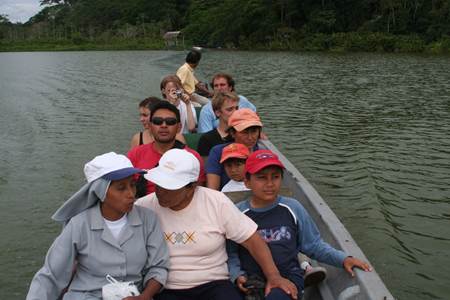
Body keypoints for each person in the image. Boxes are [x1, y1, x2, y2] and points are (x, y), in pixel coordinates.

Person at [135, 149, 298, 300]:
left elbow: (252, 240)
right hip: (164, 287)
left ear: (192, 187)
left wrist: (273, 276)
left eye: (169, 187)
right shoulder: (144, 207)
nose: (160, 192)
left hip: (213, 284)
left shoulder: (216, 202)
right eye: (158, 184)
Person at [227, 150, 372, 299]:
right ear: (247, 182)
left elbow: (313, 245)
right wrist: (237, 275)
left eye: (275, 177)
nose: (270, 184)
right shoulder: (238, 213)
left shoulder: (292, 208)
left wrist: (343, 259)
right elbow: (231, 252)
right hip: (251, 280)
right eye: (261, 178)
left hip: (289, 276)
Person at [26, 152, 169, 300]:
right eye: (121, 188)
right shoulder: (79, 224)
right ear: (101, 191)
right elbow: (52, 275)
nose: (131, 194)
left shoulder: (148, 219)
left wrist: (144, 296)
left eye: (132, 185)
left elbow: (158, 267)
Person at [128, 101, 205, 196]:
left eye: (170, 122)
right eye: (157, 121)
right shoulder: (135, 154)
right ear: (150, 126)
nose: (163, 125)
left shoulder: (192, 158)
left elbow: (198, 193)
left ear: (179, 127)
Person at [206, 108, 262, 190]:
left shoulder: (262, 154)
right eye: (245, 132)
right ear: (232, 133)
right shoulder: (218, 152)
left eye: (254, 131)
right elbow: (212, 190)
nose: (250, 137)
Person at [197, 91, 238, 157]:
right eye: (230, 109)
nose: (236, 112)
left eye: (237, 108)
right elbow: (206, 166)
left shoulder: (242, 133)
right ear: (218, 112)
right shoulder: (207, 139)